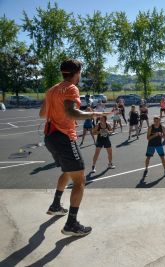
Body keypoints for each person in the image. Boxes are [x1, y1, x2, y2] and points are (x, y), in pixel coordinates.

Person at [39, 58, 109, 236]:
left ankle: (55, 205)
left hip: (50, 137)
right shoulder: (71, 88)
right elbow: (72, 112)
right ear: (76, 73)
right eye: (80, 73)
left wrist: (57, 111)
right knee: (80, 180)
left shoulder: (52, 90)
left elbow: (42, 114)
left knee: (68, 172)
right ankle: (71, 224)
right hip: (63, 137)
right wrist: (94, 114)